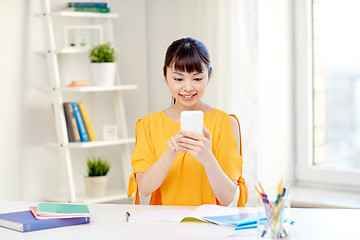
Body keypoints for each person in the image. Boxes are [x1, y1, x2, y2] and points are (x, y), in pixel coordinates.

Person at [127, 37, 248, 206]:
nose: (188, 87)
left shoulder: (225, 123)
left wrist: (207, 157)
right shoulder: (147, 125)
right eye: (178, 79)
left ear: (209, 75)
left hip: (210, 227)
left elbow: (227, 198)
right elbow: (145, 189)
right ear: (165, 75)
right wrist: (171, 152)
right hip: (164, 227)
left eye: (197, 79)